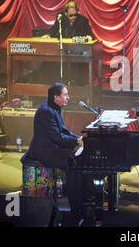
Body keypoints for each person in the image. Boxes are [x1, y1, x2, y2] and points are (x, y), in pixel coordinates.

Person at [20, 83, 87, 224]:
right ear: (56, 97)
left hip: (52, 148)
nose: (68, 98)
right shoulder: (46, 111)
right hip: (44, 153)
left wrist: (78, 138)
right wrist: (76, 142)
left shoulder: (54, 108)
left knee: (75, 160)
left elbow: (63, 132)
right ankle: (76, 210)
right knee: (73, 165)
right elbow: (57, 138)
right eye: (65, 95)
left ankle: (81, 205)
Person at [40, 1, 94, 85]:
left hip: (77, 53)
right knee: (48, 64)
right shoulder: (61, 19)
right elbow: (53, 31)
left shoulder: (83, 20)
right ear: (65, 13)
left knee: (76, 71)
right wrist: (48, 35)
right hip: (63, 51)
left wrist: (88, 38)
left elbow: (90, 35)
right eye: (71, 15)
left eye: (75, 15)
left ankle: (76, 87)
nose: (74, 17)